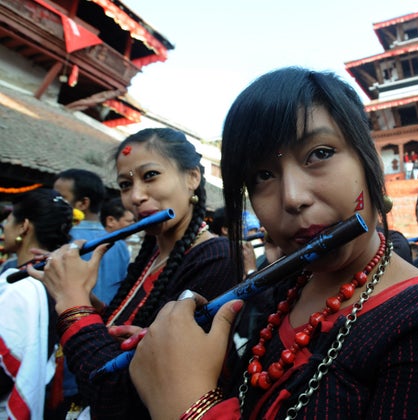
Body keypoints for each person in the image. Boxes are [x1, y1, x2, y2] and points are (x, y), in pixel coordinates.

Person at [127, 67, 418, 419]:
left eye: (319, 154)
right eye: (262, 176)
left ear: (369, 161)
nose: (292, 197)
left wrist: (189, 406)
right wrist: (171, 352)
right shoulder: (274, 292)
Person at [31, 128, 239, 419]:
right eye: (125, 184)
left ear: (192, 177)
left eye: (150, 175)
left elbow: (119, 393)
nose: (136, 196)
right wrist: (85, 300)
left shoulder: (218, 258)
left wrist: (73, 303)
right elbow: (119, 339)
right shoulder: (151, 255)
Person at [0, 188, 73, 419]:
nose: (4, 226)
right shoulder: (60, 280)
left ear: (24, 226)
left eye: (9, 219)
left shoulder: (23, 289)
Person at [53, 169, 127, 304]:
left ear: (83, 204)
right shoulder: (120, 244)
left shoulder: (64, 239)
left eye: (60, 198)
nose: (53, 203)